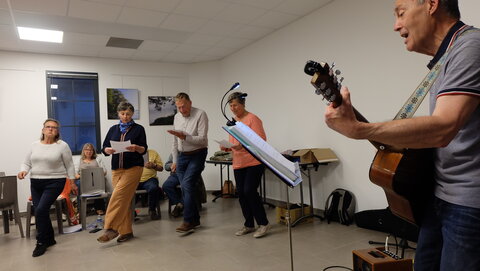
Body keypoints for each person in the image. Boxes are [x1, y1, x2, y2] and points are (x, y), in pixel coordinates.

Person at [323, 1, 480, 270]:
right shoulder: (445, 60)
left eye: (400, 12)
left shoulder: (471, 46)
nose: (396, 25)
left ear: (431, 4)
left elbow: (443, 128)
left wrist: (360, 130)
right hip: (440, 198)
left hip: (468, 203)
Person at [18, 119, 76, 257]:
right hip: (36, 182)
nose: (51, 129)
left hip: (55, 181)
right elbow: (26, 162)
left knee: (41, 209)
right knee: (40, 211)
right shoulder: (34, 145)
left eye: (54, 128)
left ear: (57, 132)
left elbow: (69, 165)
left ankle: (41, 242)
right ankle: (50, 238)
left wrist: (72, 182)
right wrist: (23, 171)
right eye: (48, 127)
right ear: (43, 129)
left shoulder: (62, 146)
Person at [97, 101, 147, 243]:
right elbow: (104, 147)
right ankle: (126, 232)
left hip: (133, 168)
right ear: (118, 114)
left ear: (132, 115)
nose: (125, 116)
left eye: (128, 114)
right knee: (123, 200)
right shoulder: (113, 129)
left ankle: (111, 229)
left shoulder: (139, 129)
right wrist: (107, 150)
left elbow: (144, 149)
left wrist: (136, 147)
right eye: (122, 113)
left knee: (117, 197)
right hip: (116, 169)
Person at [221, 92, 270, 238]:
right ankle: (249, 224)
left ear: (243, 104)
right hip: (238, 162)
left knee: (250, 191)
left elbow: (261, 139)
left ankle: (263, 223)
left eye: (235, 105)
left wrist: (242, 146)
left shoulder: (252, 119)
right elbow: (235, 142)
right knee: (241, 194)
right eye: (230, 105)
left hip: (254, 161)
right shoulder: (233, 121)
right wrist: (227, 147)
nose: (233, 108)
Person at [167, 92, 208, 233]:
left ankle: (188, 220)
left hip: (198, 154)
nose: (181, 110)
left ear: (190, 103)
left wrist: (185, 137)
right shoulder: (177, 117)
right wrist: (175, 160)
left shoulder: (201, 114)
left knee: (186, 184)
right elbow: (174, 141)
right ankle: (195, 219)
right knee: (186, 188)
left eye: (183, 106)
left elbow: (202, 139)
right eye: (178, 107)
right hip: (181, 155)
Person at [74, 143, 107, 215]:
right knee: (79, 184)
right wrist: (80, 176)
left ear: (93, 151)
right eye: (87, 150)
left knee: (100, 183)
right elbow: (75, 174)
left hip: (96, 179)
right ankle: (81, 209)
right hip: (83, 180)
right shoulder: (78, 160)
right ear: (84, 151)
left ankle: (99, 207)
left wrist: (98, 175)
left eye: (91, 150)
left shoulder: (98, 159)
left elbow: (104, 171)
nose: (89, 152)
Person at [138, 148, 163, 220]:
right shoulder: (132, 154)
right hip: (135, 180)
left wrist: (154, 165)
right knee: (125, 189)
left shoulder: (153, 153)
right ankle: (130, 212)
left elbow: (161, 168)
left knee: (153, 188)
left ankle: (152, 210)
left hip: (150, 179)